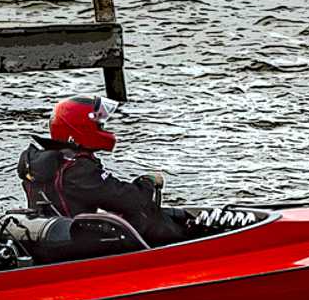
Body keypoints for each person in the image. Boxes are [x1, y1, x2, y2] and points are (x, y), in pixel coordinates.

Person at [17, 95, 190, 247]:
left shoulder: (40, 163)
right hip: (78, 244)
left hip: (62, 238)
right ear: (80, 128)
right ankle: (187, 246)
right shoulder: (78, 170)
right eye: (98, 125)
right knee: (144, 214)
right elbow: (130, 200)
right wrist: (148, 182)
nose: (102, 129)